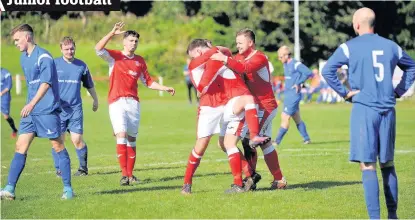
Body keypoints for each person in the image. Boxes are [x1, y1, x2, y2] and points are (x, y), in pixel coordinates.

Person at [322, 7, 415, 219]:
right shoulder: (392, 46)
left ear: (357, 25)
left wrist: (345, 94)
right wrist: (399, 90)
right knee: (388, 163)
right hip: (388, 110)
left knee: (367, 165)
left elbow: (328, 70)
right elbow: (412, 67)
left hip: (364, 109)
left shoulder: (349, 47)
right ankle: (393, 215)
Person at [181, 39, 270, 194]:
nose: (192, 59)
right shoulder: (195, 64)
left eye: (193, 55)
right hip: (208, 108)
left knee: (225, 143)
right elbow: (204, 82)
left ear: (198, 51)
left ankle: (247, 177)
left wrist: (217, 50)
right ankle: (187, 183)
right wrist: (214, 49)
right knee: (201, 145)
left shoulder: (216, 57)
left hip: (226, 105)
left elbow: (227, 51)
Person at [95, 22, 175, 186]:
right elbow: (98, 49)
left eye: (136, 41)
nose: (133, 43)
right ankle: (124, 175)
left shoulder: (139, 61)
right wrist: (111, 33)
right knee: (121, 135)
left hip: (133, 103)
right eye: (131, 40)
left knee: (132, 139)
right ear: (124, 41)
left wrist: (164, 87)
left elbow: (148, 82)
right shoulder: (115, 56)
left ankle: (130, 175)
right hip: (116, 101)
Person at [0, 24, 73, 200]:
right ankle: (9, 189)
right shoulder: (24, 58)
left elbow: (46, 83)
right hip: (30, 112)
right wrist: (30, 106)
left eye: (17, 40)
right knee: (20, 146)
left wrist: (32, 104)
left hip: (47, 110)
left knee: (57, 146)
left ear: (28, 37)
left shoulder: (44, 57)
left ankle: (68, 189)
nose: (16, 43)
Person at [211, 28, 287, 190]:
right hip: (254, 107)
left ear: (250, 43)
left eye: (240, 42)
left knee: (248, 141)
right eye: (236, 42)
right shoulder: (239, 57)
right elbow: (232, 64)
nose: (237, 45)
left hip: (265, 106)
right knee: (264, 144)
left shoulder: (259, 57)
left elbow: (243, 68)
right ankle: (279, 180)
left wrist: (224, 58)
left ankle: (250, 179)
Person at [51, 36, 99, 177]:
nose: (69, 51)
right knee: (58, 140)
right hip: (58, 110)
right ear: (61, 49)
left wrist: (95, 100)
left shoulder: (81, 66)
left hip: (75, 109)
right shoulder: (54, 64)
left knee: (77, 140)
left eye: (72, 48)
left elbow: (89, 85)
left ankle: (83, 169)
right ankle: (60, 169)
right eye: (66, 49)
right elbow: (45, 85)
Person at [274, 46, 312, 146]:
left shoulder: (295, 64)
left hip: (293, 96)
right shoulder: (285, 64)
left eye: (281, 56)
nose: (279, 59)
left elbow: (308, 72)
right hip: (288, 95)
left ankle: (276, 142)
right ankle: (307, 139)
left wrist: (299, 82)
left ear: (287, 55)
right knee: (297, 118)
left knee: (285, 116)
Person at [1, 67, 18, 137]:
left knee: (6, 116)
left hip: (4, 97)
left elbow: (9, 85)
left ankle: (14, 130)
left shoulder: (5, 73)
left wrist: (1, 93)